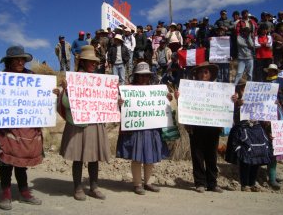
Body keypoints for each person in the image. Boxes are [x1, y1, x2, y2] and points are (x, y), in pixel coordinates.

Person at [0, 45, 57, 210]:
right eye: (16, 59)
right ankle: (6, 194)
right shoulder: (0, 78)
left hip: (27, 126)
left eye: (22, 59)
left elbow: (42, 98)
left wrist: (52, 93)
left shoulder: (33, 78)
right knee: (6, 161)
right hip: (7, 127)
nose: (20, 62)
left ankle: (24, 192)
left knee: (22, 161)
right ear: (9, 62)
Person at [57, 45, 110, 201]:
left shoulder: (100, 81)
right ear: (83, 62)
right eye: (90, 62)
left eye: (95, 62)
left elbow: (106, 101)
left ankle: (94, 187)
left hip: (95, 123)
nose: (94, 64)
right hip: (78, 124)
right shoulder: (72, 79)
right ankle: (78, 187)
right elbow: (66, 104)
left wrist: (116, 100)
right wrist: (66, 90)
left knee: (94, 157)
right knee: (78, 157)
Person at [175, 62, 234, 193]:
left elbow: (226, 104)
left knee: (212, 156)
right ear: (196, 74)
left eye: (206, 72)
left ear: (211, 74)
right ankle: (200, 183)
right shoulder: (190, 89)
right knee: (197, 155)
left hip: (213, 127)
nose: (203, 74)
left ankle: (212, 184)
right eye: (201, 72)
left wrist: (232, 99)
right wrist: (178, 98)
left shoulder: (220, 90)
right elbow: (184, 105)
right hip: (195, 126)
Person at [116, 62, 171, 195]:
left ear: (149, 77)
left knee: (150, 155)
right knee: (137, 157)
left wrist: (167, 99)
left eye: (146, 76)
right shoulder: (128, 90)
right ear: (135, 76)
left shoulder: (155, 91)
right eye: (140, 76)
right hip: (135, 129)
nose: (143, 78)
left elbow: (164, 107)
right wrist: (119, 103)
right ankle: (137, 184)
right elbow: (120, 109)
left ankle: (148, 182)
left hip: (152, 128)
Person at [225, 79, 271, 192]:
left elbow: (264, 114)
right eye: (242, 87)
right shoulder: (234, 100)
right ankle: (245, 184)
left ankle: (252, 182)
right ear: (238, 89)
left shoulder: (259, 99)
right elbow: (229, 113)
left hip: (256, 130)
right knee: (245, 158)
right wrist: (236, 104)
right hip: (243, 130)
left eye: (246, 87)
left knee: (257, 157)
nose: (244, 90)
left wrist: (271, 105)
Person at [263, 64, 283, 190]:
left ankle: (272, 175)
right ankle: (270, 176)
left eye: (272, 71)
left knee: (276, 145)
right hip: (266, 115)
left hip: (277, 114)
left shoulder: (281, 81)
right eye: (269, 70)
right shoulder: (264, 83)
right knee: (270, 144)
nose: (270, 72)